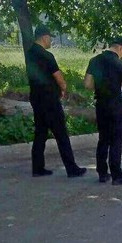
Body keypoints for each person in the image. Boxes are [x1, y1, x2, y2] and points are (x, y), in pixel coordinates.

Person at [25, 25, 87, 177]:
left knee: (40, 133)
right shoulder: (47, 55)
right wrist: (64, 88)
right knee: (61, 134)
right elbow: (58, 76)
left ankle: (37, 168)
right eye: (50, 37)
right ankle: (72, 169)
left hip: (36, 98)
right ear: (44, 37)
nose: (50, 40)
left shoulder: (30, 53)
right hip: (50, 99)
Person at [83, 36, 122, 185]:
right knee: (116, 140)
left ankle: (102, 173)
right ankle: (117, 175)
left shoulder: (94, 61)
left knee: (103, 139)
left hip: (100, 105)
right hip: (115, 106)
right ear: (121, 48)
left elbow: (87, 84)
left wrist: (102, 87)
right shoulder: (120, 65)